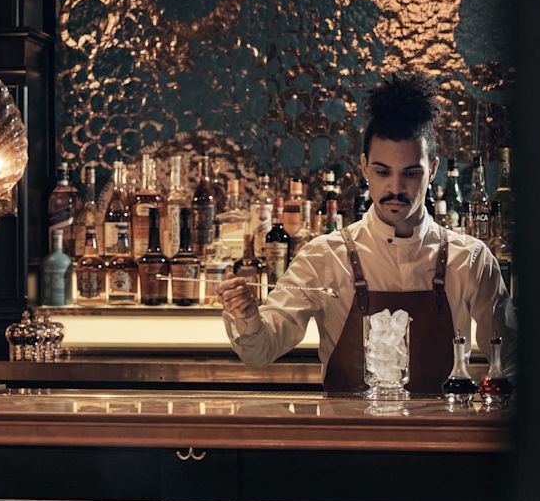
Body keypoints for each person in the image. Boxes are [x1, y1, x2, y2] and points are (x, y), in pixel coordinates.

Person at [217, 72, 517, 392]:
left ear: (432, 170)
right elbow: (262, 352)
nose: (396, 188)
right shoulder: (324, 256)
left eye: (411, 173)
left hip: (442, 438)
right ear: (364, 168)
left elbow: (512, 359)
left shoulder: (470, 259)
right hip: (348, 437)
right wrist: (246, 315)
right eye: (382, 172)